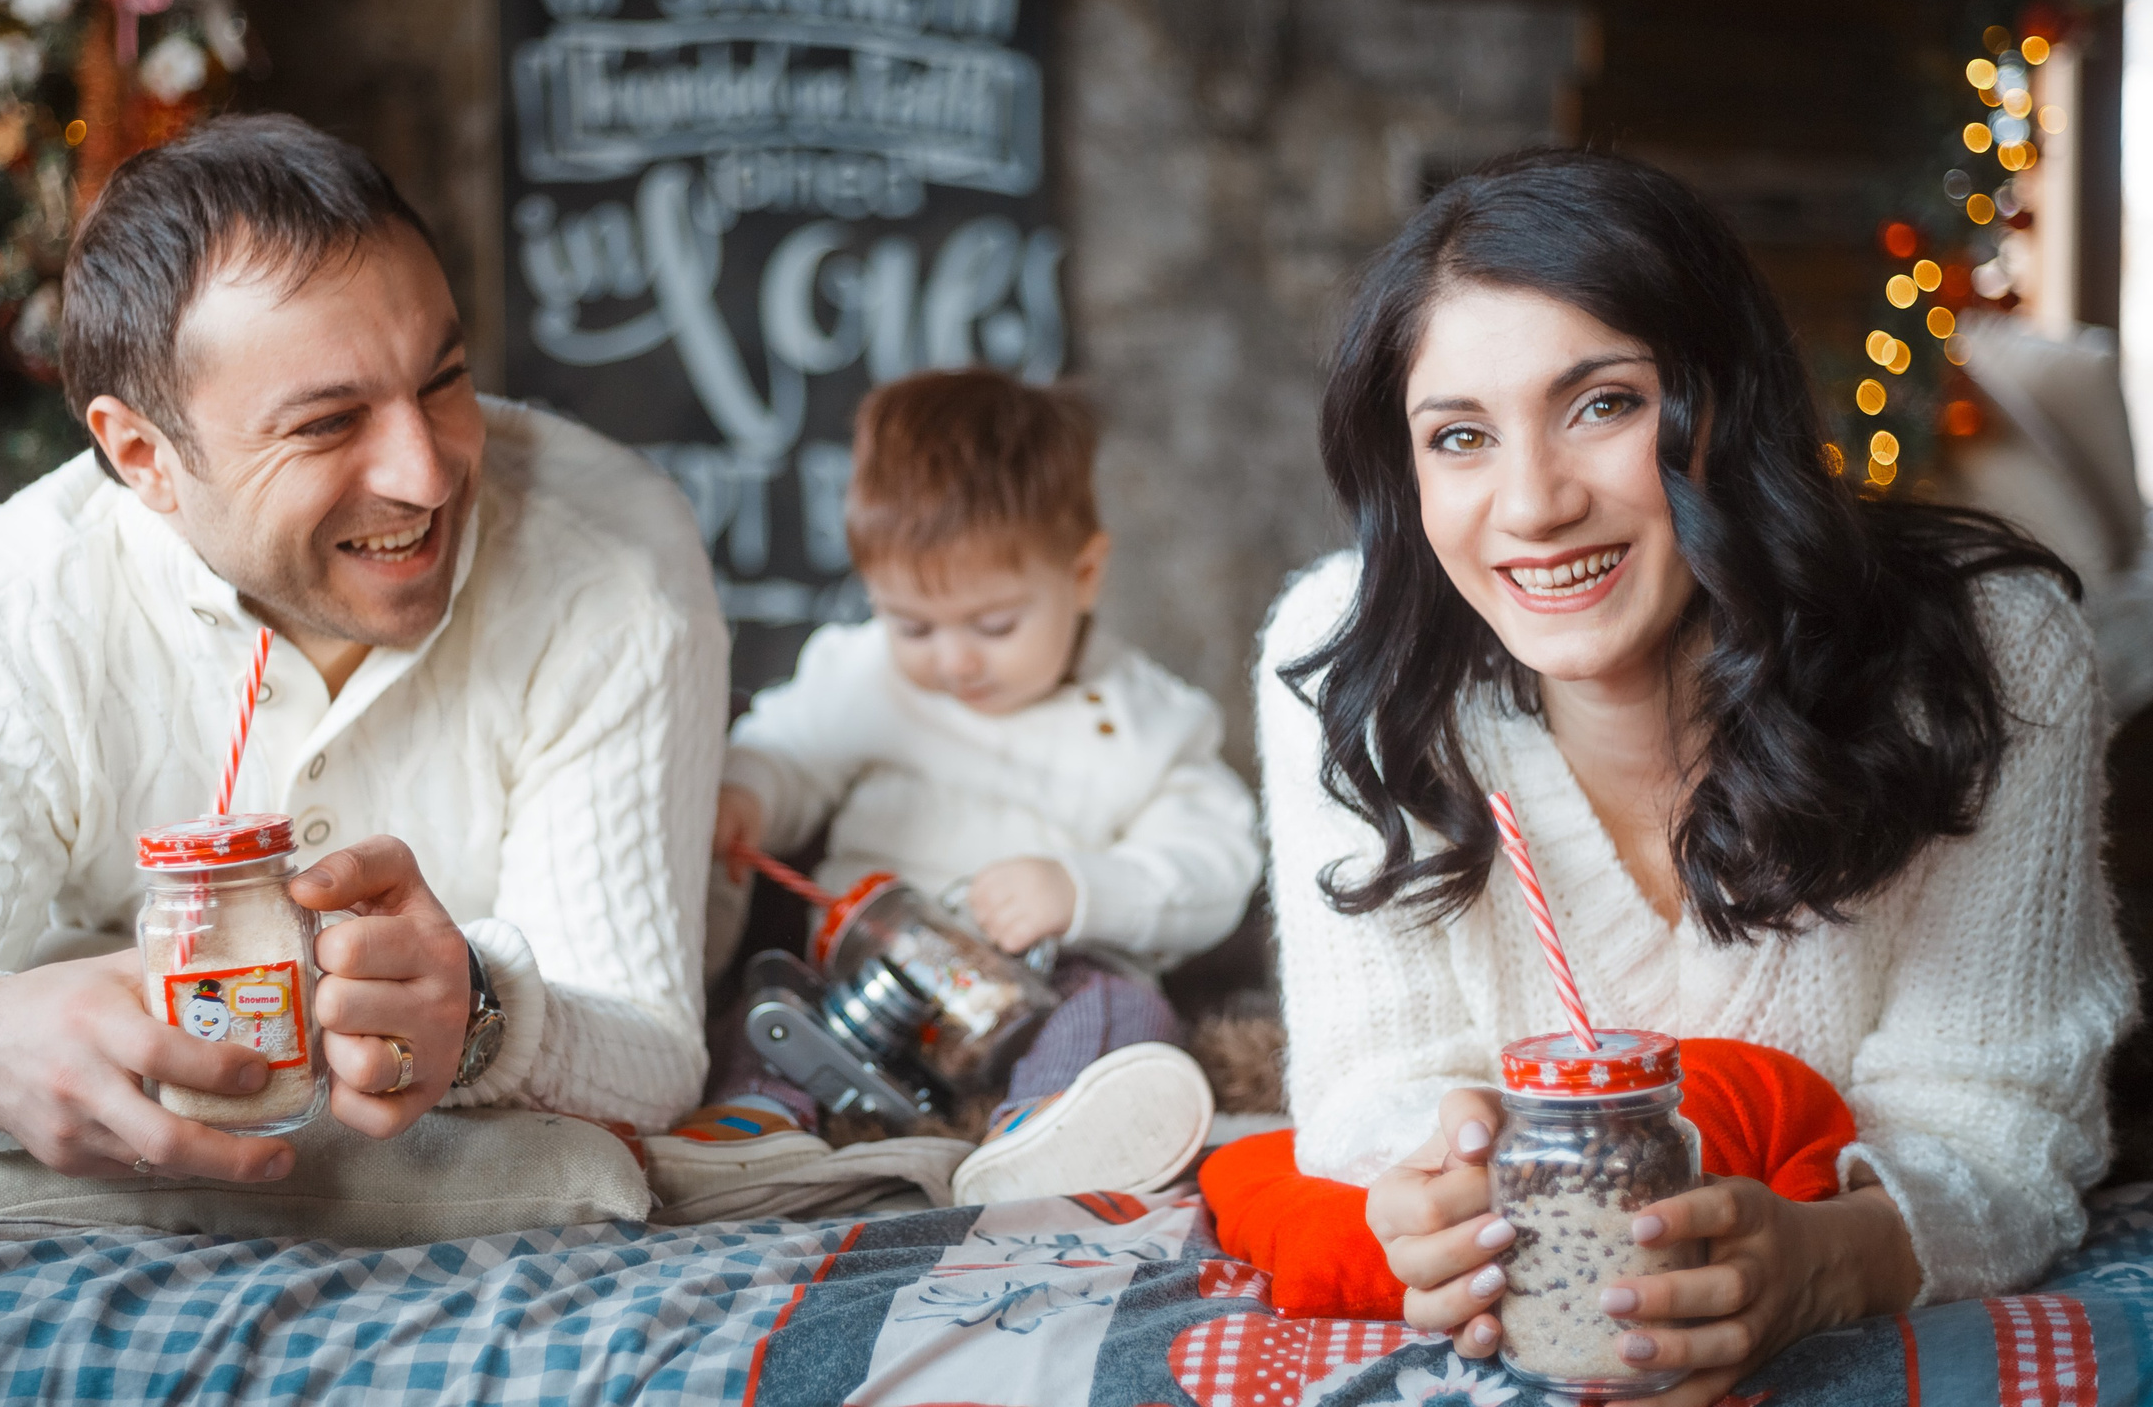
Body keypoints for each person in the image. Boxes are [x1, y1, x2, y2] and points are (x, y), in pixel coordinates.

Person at [1208, 148, 2135, 1406]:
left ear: (1724, 405)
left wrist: (1829, 1263)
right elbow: (1375, 1085)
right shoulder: (1344, 671)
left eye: (1601, 404)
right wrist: (1425, 1188)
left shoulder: (1988, 658)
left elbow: (2001, 1120)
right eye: (1460, 437)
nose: (1530, 505)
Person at [0, 115, 727, 1203]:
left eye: (442, 379)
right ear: (144, 457)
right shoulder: (2, 621)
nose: (430, 473)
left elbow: (655, 1051)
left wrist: (487, 1013)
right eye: (326, 424)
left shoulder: (617, 561)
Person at [660, 368, 1263, 1208]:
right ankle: (756, 1121)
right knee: (774, 997)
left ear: (1083, 575)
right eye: (912, 625)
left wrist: (1079, 889)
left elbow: (1214, 861)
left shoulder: (1143, 720)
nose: (953, 659)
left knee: (1125, 1013)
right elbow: (787, 748)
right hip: (867, 981)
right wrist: (750, 794)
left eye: (994, 625)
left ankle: (1048, 1128)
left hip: (1044, 987)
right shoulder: (866, 677)